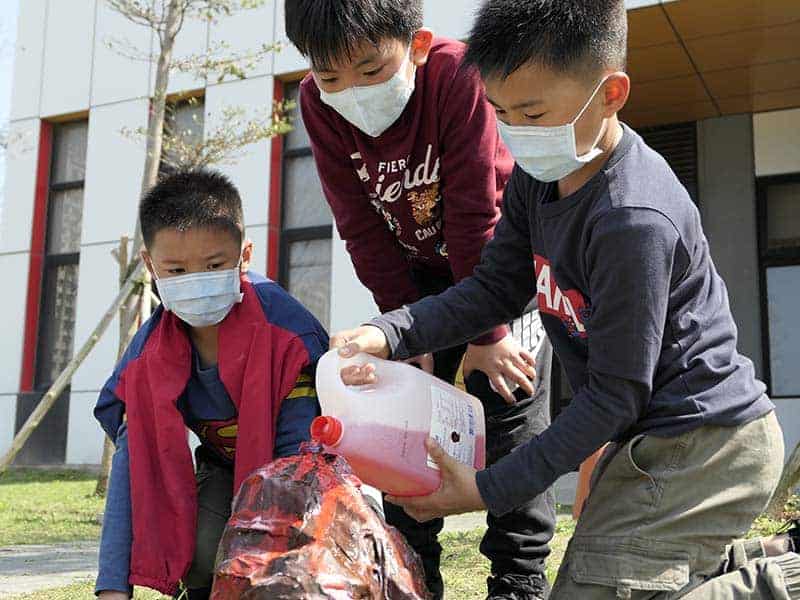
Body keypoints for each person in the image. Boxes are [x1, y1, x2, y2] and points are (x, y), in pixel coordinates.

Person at [330, 1, 800, 598]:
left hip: (704, 443)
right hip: (647, 436)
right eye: (501, 112)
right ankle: (747, 558)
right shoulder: (539, 177)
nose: (516, 132)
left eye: (532, 113)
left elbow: (613, 396)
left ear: (611, 94)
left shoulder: (632, 219)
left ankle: (785, 578)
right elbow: (493, 289)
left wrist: (484, 488)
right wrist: (389, 332)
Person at [285, 1, 555, 598]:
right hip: (415, 284)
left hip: (501, 270)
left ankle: (518, 581)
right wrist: (403, 336)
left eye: (371, 70)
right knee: (400, 424)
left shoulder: (459, 76)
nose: (352, 91)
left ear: (418, 44)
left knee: (511, 414)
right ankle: (412, 575)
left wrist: (487, 335)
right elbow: (360, 228)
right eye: (330, 76)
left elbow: (476, 215)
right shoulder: (316, 104)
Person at [94, 170, 328, 599]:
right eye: (176, 269)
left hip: (304, 472)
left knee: (287, 566)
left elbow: (297, 462)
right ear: (150, 265)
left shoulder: (287, 336)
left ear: (244, 255)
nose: (196, 280)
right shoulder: (147, 358)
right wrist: (113, 588)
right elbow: (137, 462)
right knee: (202, 552)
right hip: (223, 467)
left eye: (215, 265)